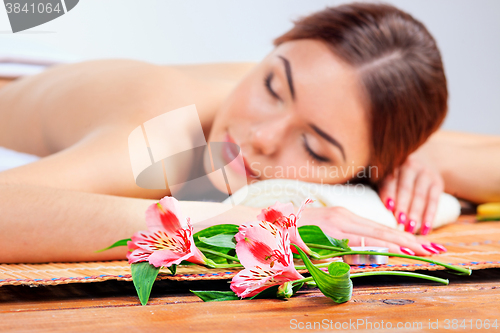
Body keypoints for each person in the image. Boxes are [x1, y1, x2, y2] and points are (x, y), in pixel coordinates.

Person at [0, 3, 498, 263]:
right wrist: (240, 221)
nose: (261, 137)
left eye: (315, 146)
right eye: (271, 86)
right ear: (271, 52)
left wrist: (426, 160)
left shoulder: (332, 104)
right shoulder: (168, 138)